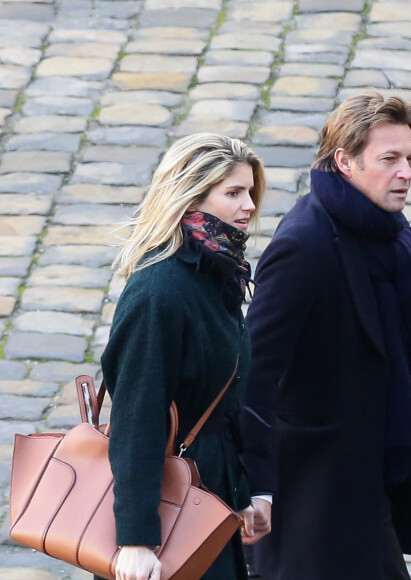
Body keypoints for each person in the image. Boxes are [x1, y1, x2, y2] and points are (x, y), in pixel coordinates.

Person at [240, 91, 411, 580]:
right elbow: (255, 375)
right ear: (345, 162)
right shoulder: (303, 247)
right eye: (390, 159)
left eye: (410, 159)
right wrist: (257, 488)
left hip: (367, 469)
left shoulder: (387, 226)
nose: (406, 173)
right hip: (314, 487)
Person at [94, 133, 271, 580]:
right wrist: (136, 540)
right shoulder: (160, 293)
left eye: (249, 191)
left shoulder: (217, 276)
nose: (249, 204)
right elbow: (137, 418)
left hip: (207, 501)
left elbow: (224, 407)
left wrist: (245, 494)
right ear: (191, 197)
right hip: (168, 518)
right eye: (233, 193)